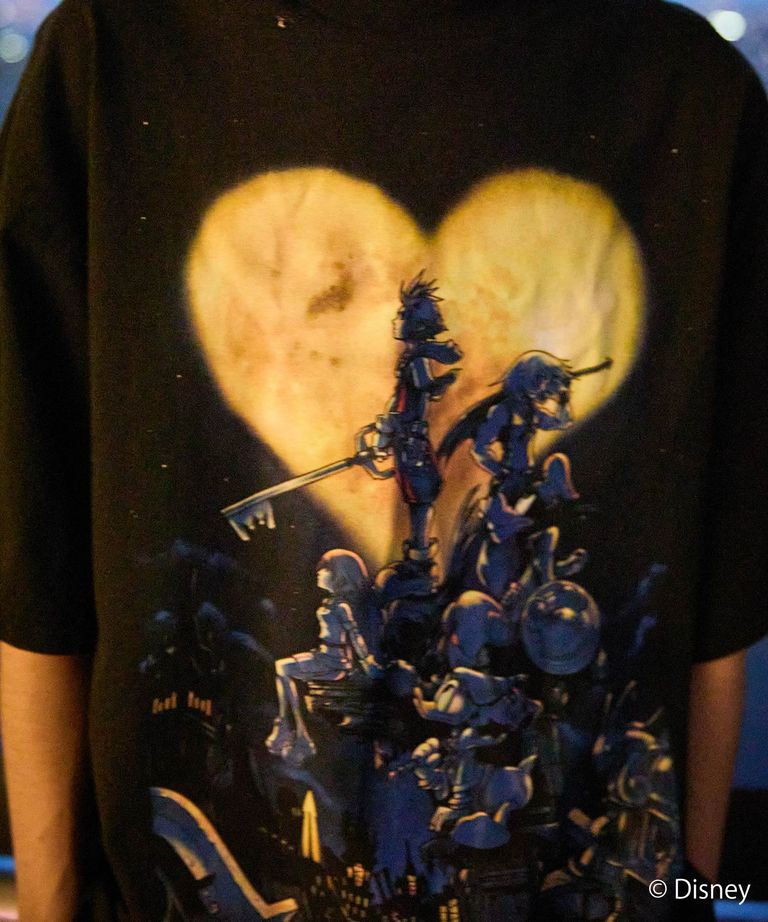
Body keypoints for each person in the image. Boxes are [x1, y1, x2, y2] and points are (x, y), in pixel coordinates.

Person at [1, 1, 766, 920]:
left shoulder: (692, 94)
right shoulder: (108, 57)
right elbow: (36, 573)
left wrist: (691, 896)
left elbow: (718, 621)